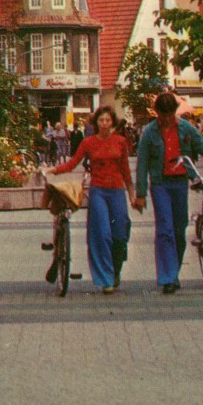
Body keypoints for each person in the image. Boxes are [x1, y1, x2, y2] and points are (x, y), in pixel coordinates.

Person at [134, 92, 203, 294]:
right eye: (162, 115)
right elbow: (142, 163)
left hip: (180, 182)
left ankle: (174, 271)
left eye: (170, 114)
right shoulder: (149, 132)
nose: (166, 119)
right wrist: (140, 193)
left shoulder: (185, 127)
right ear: (157, 113)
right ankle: (168, 277)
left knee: (179, 230)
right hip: (160, 183)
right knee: (165, 229)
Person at [45, 105, 134, 294]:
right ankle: (106, 279)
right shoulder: (89, 142)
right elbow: (72, 163)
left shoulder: (120, 141)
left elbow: (126, 169)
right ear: (95, 123)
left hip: (117, 191)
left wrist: (132, 193)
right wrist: (53, 169)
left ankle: (116, 270)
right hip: (99, 191)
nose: (104, 124)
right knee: (102, 234)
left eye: (108, 120)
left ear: (113, 123)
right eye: (101, 120)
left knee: (119, 234)